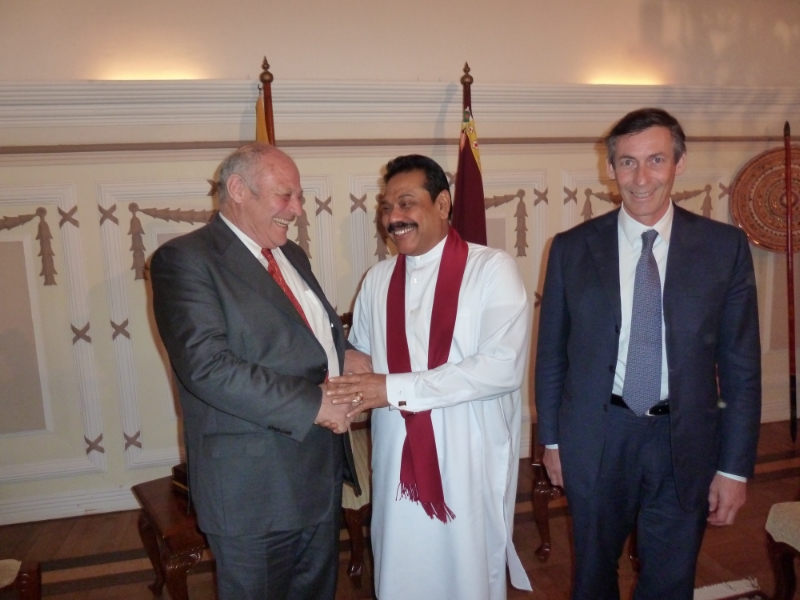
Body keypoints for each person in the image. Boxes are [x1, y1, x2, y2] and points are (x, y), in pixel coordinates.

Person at [535, 108, 761, 599]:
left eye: (656, 160)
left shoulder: (723, 248)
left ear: (679, 163)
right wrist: (551, 442)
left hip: (685, 440)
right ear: (610, 168)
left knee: (671, 581)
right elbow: (551, 356)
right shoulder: (571, 249)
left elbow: (741, 368)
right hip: (598, 435)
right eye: (628, 162)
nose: (641, 178)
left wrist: (733, 468)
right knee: (592, 576)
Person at [150, 142, 368, 600]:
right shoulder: (185, 259)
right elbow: (207, 367)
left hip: (317, 473)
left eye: (299, 197)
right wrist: (315, 403)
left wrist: (343, 352)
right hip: (253, 489)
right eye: (285, 195)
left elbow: (303, 331)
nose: (298, 209)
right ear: (237, 189)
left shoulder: (292, 255)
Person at [326, 154, 533, 599]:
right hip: (395, 453)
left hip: (467, 455)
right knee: (401, 569)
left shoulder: (490, 269)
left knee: (468, 573)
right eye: (386, 207)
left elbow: (501, 368)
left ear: (442, 204)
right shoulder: (378, 279)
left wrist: (392, 388)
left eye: (406, 203)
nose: (393, 218)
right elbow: (364, 355)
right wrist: (347, 367)